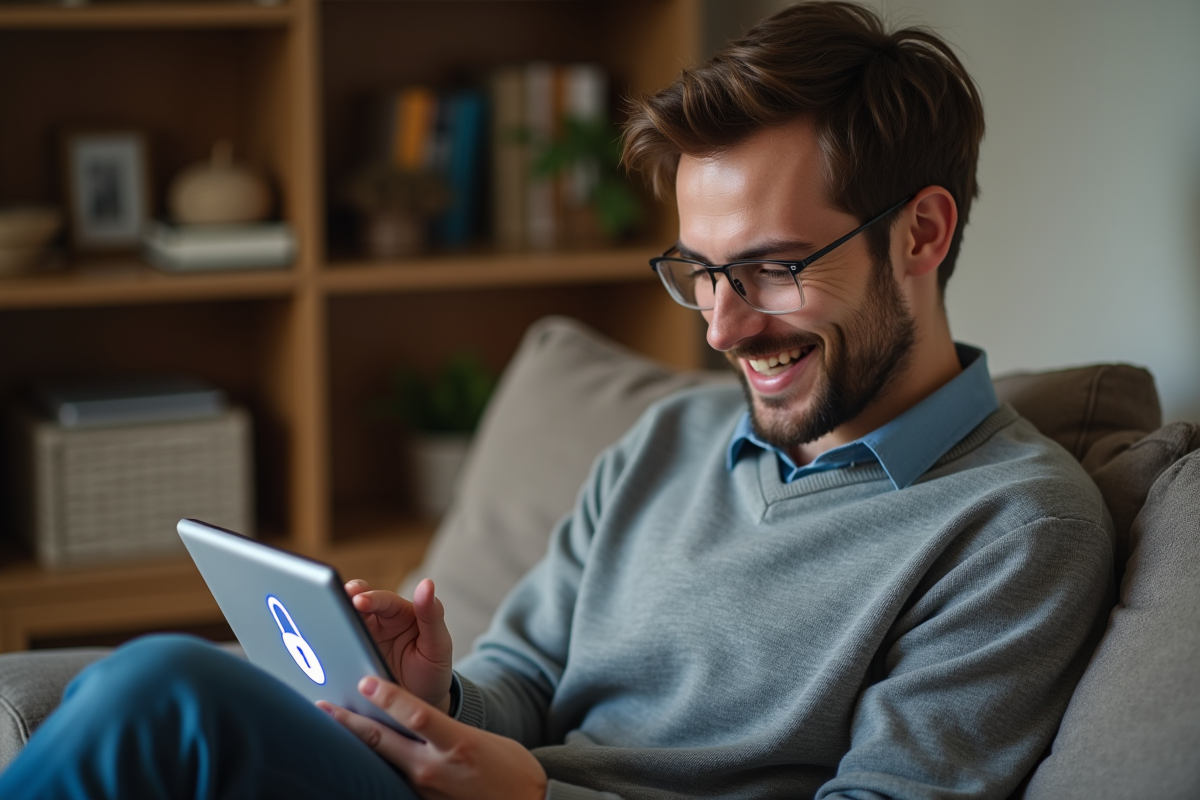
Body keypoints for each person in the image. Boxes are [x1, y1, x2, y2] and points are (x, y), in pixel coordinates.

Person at [0, 3, 1114, 799]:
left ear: (922, 233)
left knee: (167, 690)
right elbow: (524, 680)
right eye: (701, 271)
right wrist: (441, 693)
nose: (722, 329)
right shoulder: (672, 435)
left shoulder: (1018, 523)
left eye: (774, 268)